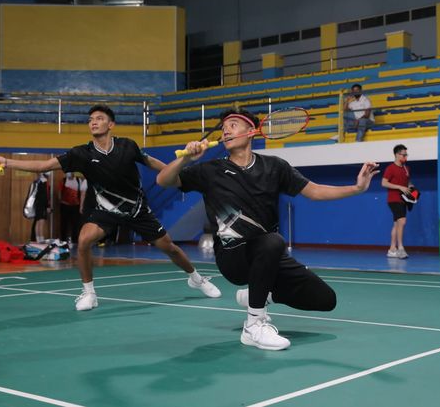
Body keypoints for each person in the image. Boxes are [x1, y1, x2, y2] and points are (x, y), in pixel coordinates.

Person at [157, 107, 379, 351]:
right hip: (233, 257)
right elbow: (163, 180)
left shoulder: (275, 167)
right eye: (223, 127)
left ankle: (256, 296)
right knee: (273, 241)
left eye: (232, 125)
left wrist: (356, 189)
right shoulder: (209, 171)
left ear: (251, 131)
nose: (225, 130)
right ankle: (253, 326)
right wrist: (186, 158)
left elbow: (314, 191)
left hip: (268, 254)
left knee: (325, 299)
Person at [0, 104, 221, 311]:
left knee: (169, 247)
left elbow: (155, 165)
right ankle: (89, 293)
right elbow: (45, 164)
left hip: (136, 208)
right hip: (105, 210)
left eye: (99, 118)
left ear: (111, 124)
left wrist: (178, 173)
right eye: (91, 119)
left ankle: (196, 278)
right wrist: (7, 162)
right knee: (83, 241)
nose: (93, 121)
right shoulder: (81, 153)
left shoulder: (127, 146)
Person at [381, 144, 414, 259]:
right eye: (403, 155)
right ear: (396, 154)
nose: (405, 157)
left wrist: (410, 186)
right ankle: (400, 248)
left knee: (396, 224)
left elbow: (407, 182)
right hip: (394, 199)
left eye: (406, 155)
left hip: (404, 199)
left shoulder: (406, 168)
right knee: (402, 222)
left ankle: (392, 249)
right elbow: (384, 183)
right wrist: (399, 187)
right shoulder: (390, 168)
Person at [59, 172, 86, 247]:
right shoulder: (63, 180)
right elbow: (59, 193)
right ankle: (63, 240)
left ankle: (75, 240)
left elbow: (81, 194)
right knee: (64, 223)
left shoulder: (78, 180)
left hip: (75, 206)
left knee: (75, 223)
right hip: (65, 205)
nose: (69, 174)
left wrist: (81, 206)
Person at [30, 172, 51, 242]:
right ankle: (41, 239)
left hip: (37, 204)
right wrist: (48, 206)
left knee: (38, 221)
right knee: (41, 222)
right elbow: (45, 196)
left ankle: (37, 238)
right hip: (42, 204)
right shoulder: (44, 182)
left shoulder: (38, 181)